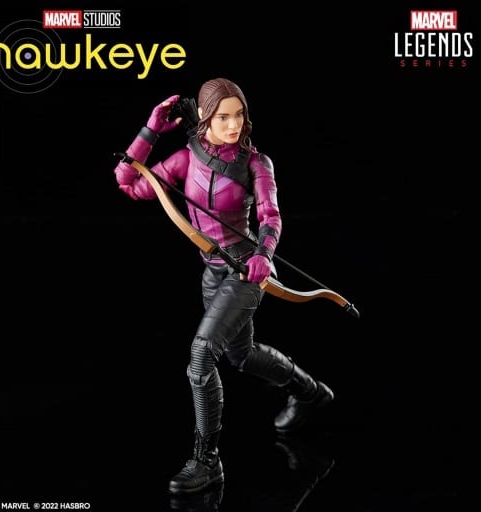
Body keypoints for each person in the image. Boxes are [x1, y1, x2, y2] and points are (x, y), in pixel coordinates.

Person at [113, 78, 334, 495]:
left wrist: (263, 254)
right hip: (212, 271)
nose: (234, 125)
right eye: (222, 117)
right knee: (241, 355)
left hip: (246, 270)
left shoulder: (256, 163)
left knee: (201, 356)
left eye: (239, 115)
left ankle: (207, 460)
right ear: (204, 117)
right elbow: (129, 181)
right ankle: (310, 392)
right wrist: (150, 129)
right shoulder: (185, 160)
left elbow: (270, 216)